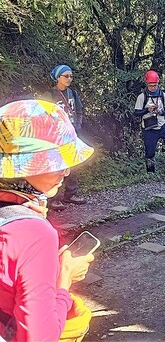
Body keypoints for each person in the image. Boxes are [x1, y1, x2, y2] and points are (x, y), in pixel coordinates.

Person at [0, 99, 95, 341]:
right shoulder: (34, 234)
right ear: (24, 168)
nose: (66, 171)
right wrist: (64, 277)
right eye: (56, 162)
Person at [46, 64, 88, 210]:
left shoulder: (73, 93)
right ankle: (53, 199)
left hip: (72, 133)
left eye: (71, 76)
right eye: (66, 76)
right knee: (57, 166)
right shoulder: (50, 94)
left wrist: (78, 126)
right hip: (56, 136)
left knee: (74, 164)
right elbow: (45, 115)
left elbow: (79, 111)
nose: (69, 79)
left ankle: (70, 194)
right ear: (58, 77)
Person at [134, 70, 165, 172]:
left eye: (155, 85)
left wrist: (160, 111)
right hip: (149, 128)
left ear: (158, 84)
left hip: (162, 127)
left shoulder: (163, 95)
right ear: (147, 84)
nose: (153, 87)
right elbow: (136, 113)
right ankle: (150, 173)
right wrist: (147, 110)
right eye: (151, 85)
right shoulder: (142, 96)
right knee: (150, 152)